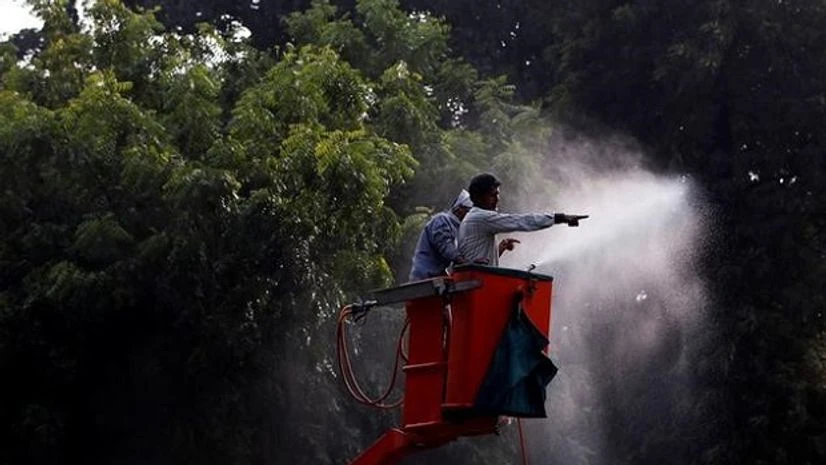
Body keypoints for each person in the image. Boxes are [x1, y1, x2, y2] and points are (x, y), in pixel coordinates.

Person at [458, 173, 587, 266]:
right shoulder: (481, 217)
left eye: (498, 194)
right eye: (493, 195)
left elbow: (478, 261)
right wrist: (560, 218)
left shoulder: (472, 218)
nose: (497, 199)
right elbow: (521, 221)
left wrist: (500, 249)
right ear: (478, 197)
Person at [408, 190, 475, 281]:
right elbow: (445, 246)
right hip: (424, 275)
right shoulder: (442, 220)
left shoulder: (458, 228)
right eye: (468, 211)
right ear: (459, 209)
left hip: (437, 275)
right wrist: (463, 261)